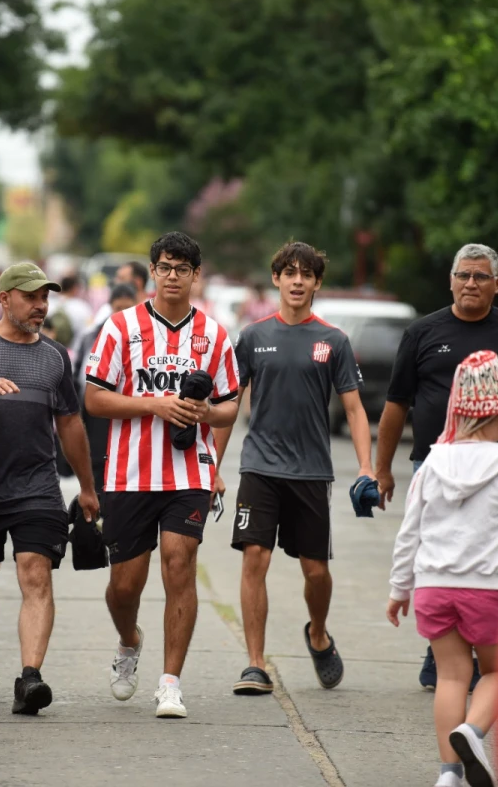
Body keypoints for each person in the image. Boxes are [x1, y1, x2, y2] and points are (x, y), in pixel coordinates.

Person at [376, 242, 498, 689]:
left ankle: (479, 644)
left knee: (485, 549)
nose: (470, 283)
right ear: (451, 280)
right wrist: (381, 468)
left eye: (479, 276)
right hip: (431, 462)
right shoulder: (422, 332)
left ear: (496, 283)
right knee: (439, 545)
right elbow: (396, 404)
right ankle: (442, 652)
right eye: (463, 275)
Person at [84, 231, 240, 719]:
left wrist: (203, 415)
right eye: (165, 267)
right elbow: (93, 399)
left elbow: (230, 404)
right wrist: (155, 404)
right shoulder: (119, 327)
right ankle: (129, 640)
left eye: (182, 269)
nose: (173, 276)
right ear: (152, 272)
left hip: (188, 472)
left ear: (197, 275)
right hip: (130, 474)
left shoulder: (214, 335)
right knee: (125, 586)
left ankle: (170, 682)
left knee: (180, 561)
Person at [210, 242, 373, 696]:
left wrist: (366, 467)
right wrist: (213, 469)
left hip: (311, 471)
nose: (297, 280)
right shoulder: (253, 336)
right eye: (289, 272)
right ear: (276, 279)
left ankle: (318, 633)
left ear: (317, 282)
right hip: (260, 467)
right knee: (254, 558)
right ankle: (255, 664)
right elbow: (228, 406)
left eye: (306, 274)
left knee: (315, 571)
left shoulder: (334, 341)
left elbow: (356, 412)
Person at [0, 263, 99, 716]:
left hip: (37, 486)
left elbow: (70, 424)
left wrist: (87, 487)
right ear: (4, 297)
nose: (40, 305)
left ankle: (30, 678)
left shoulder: (55, 357)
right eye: (31, 297)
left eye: (44, 297)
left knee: (36, 574)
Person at [388, 350, 498, 787]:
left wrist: (399, 589)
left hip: (434, 587)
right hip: (492, 588)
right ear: (495, 417)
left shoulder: (432, 463)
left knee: (451, 677)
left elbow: (409, 532)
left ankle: (448, 775)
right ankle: (472, 732)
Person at [71, 283, 140, 497]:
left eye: (127, 308)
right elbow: (82, 374)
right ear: (110, 306)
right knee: (99, 460)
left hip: (133, 409)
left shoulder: (145, 337)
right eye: (118, 308)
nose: (121, 314)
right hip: (100, 410)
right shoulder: (94, 334)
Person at [50, 273, 94, 339]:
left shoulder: (50, 304)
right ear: (74, 288)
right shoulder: (82, 307)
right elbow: (89, 329)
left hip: (51, 346)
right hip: (74, 347)